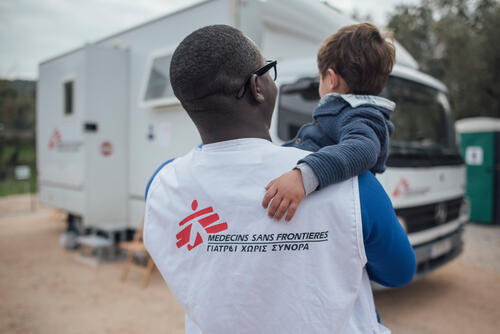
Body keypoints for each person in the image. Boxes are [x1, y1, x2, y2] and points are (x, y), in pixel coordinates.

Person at [144, 25, 415, 334]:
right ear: (257, 86)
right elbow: (399, 272)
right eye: (270, 71)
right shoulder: (356, 187)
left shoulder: (162, 187)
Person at [262, 23, 396, 222]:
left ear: (331, 79)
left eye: (320, 78)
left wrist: (304, 176)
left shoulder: (361, 115)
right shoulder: (350, 114)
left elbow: (363, 148)